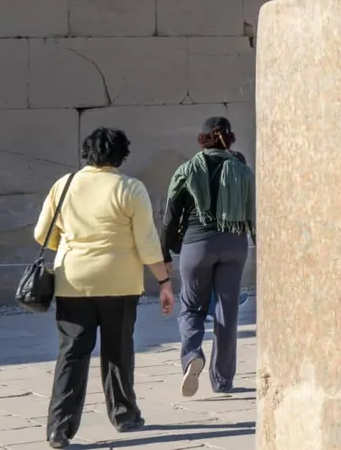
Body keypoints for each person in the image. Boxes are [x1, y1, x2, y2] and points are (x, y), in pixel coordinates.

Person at [35, 128, 173, 448]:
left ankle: (59, 429)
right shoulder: (130, 188)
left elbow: (42, 234)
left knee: (72, 353)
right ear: (122, 156)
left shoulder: (64, 184)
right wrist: (164, 281)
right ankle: (124, 414)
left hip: (73, 280)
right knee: (118, 348)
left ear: (87, 152)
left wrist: (69, 245)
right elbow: (147, 243)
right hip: (119, 282)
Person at [163, 116, 256, 397]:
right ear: (230, 138)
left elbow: (171, 217)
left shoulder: (186, 170)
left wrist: (165, 251)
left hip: (197, 245)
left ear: (202, 139)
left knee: (192, 307)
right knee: (227, 311)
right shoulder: (242, 170)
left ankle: (192, 355)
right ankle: (223, 380)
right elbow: (252, 211)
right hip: (234, 243)